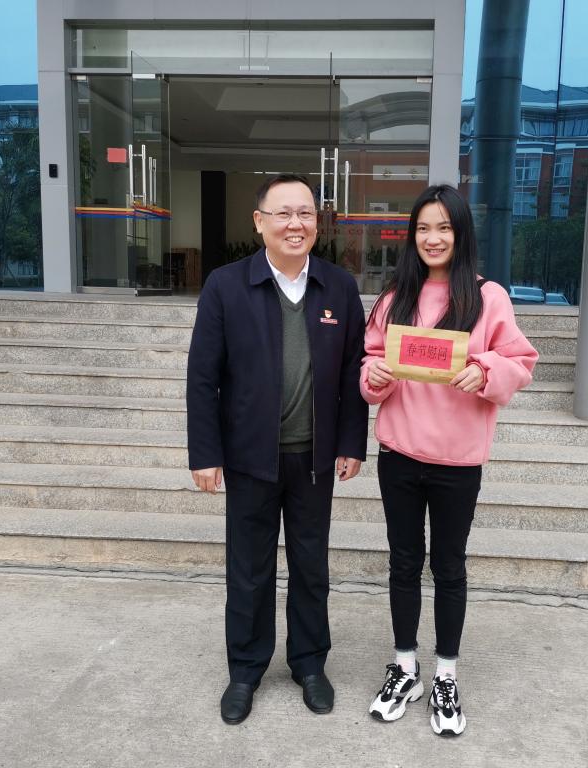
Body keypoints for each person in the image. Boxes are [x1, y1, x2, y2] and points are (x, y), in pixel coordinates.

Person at [186, 173, 369, 725]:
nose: (296, 224)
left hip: (314, 458)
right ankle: (245, 670)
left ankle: (309, 664)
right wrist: (205, 453)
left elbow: (353, 372)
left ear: (317, 222)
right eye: (283, 213)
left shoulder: (339, 287)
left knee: (311, 566)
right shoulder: (226, 285)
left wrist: (351, 442)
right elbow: (203, 377)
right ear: (259, 221)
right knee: (249, 569)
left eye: (306, 213)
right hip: (249, 458)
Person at [360, 184, 538, 736]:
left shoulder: (488, 298)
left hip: (458, 462)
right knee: (403, 562)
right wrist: (374, 376)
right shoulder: (395, 298)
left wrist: (485, 370)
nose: (433, 238)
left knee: (449, 566)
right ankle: (405, 666)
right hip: (399, 455)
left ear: (461, 234)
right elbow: (369, 364)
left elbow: (520, 361)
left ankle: (445, 674)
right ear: (411, 236)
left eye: (444, 227)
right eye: (423, 228)